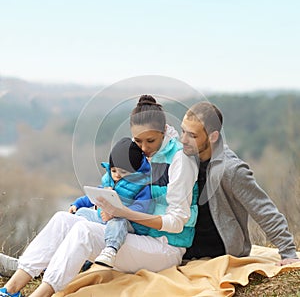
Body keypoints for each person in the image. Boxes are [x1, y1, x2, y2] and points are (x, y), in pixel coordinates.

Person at [0, 95, 198, 297]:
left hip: (164, 246)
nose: (144, 148)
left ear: (164, 131)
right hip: (135, 233)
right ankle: (10, 289)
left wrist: (123, 212)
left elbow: (177, 223)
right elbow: (116, 185)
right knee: (63, 219)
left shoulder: (180, 160)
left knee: (84, 231)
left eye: (151, 141)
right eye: (138, 141)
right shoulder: (139, 153)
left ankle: (40, 294)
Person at [180, 101, 299, 265]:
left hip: (219, 251)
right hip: (185, 246)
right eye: (183, 131)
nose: (183, 139)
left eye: (192, 135)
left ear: (213, 136)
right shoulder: (184, 158)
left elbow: (263, 209)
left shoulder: (232, 170)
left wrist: (288, 253)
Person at [69, 137, 152, 267]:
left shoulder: (141, 185)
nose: (117, 175)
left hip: (130, 223)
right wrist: (77, 204)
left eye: (123, 172)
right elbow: (95, 196)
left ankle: (110, 250)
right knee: (82, 213)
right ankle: (81, 256)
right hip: (105, 217)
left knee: (118, 222)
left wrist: (117, 212)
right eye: (114, 170)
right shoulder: (109, 180)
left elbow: (141, 208)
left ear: (134, 170)